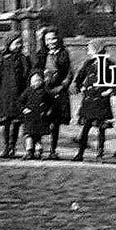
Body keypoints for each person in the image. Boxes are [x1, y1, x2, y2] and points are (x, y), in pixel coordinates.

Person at [72, 40, 116, 162]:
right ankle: (80, 153)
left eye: (89, 48)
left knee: (101, 129)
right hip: (89, 100)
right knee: (85, 129)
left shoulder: (109, 64)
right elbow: (79, 77)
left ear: (97, 49)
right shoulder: (88, 63)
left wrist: (110, 91)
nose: (88, 51)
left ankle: (100, 153)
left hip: (101, 101)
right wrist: (80, 87)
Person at [0, 34, 32, 159]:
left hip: (18, 94)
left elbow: (27, 76)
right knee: (6, 122)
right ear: (8, 44)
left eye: (20, 43)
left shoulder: (23, 58)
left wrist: (26, 94)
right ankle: (6, 147)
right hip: (4, 94)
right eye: (16, 43)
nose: (18, 46)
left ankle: (13, 147)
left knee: (16, 122)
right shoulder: (1, 57)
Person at [34, 29, 73, 160]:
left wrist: (62, 87)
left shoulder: (63, 54)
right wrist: (39, 82)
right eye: (48, 40)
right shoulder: (41, 54)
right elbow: (35, 70)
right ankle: (38, 147)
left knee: (55, 122)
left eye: (53, 39)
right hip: (43, 90)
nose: (51, 42)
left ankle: (53, 149)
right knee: (39, 119)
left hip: (57, 91)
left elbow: (68, 73)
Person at [18, 72, 56, 160]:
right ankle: (29, 152)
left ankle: (38, 151)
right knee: (29, 135)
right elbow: (20, 102)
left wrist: (48, 112)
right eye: (35, 81)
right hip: (30, 117)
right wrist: (23, 109)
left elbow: (51, 103)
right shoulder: (28, 91)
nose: (36, 83)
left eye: (38, 81)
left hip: (40, 117)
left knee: (37, 136)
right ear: (31, 82)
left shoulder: (45, 91)